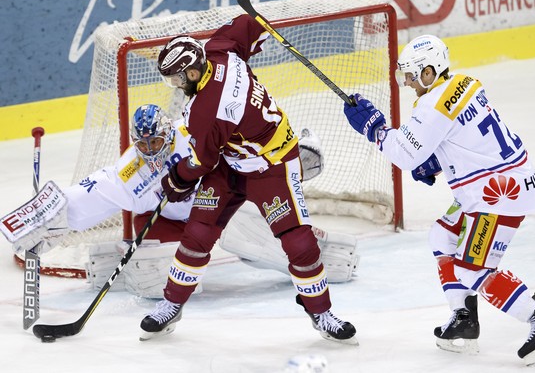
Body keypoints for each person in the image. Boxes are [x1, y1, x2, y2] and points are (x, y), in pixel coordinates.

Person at [342, 34, 535, 364]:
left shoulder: (432, 105)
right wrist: (437, 161)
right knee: (443, 236)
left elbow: (405, 154)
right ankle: (464, 320)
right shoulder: (463, 83)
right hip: (496, 183)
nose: (407, 82)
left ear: (429, 72)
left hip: (497, 194)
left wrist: (375, 129)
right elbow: (463, 136)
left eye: (411, 75)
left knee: (471, 269)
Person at [140, 15, 357, 343]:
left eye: (176, 79)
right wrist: (256, 19)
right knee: (198, 233)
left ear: (193, 72)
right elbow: (247, 24)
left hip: (271, 166)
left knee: (299, 242)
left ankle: (321, 312)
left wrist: (176, 181)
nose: (176, 86)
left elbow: (201, 162)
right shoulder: (220, 50)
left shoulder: (207, 112)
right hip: (231, 162)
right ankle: (171, 304)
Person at [3, 104, 359, 299]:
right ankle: (125, 262)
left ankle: (323, 257)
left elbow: (247, 143)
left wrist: (286, 157)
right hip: (167, 221)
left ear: (168, 133)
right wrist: (51, 215)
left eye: (156, 142)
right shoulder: (133, 169)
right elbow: (100, 190)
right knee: (158, 282)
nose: (149, 151)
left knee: (254, 239)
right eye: (142, 145)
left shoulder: (197, 135)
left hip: (219, 210)